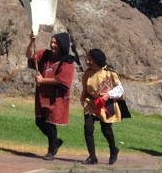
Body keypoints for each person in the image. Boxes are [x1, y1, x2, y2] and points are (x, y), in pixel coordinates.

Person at [26, 32, 75, 160]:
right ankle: (56, 142)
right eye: (52, 42)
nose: (52, 45)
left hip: (56, 98)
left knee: (50, 122)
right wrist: (32, 42)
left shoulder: (67, 62)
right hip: (43, 95)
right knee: (39, 122)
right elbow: (30, 55)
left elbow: (62, 80)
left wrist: (43, 81)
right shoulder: (45, 55)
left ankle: (51, 151)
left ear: (61, 45)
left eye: (55, 43)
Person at [79, 49, 122, 165]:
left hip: (105, 104)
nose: (87, 62)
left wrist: (108, 95)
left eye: (90, 60)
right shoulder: (88, 73)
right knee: (88, 128)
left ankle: (114, 150)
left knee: (106, 130)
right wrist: (83, 99)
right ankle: (92, 157)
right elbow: (85, 88)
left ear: (97, 60)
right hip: (91, 103)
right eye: (87, 59)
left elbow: (120, 89)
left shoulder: (110, 72)